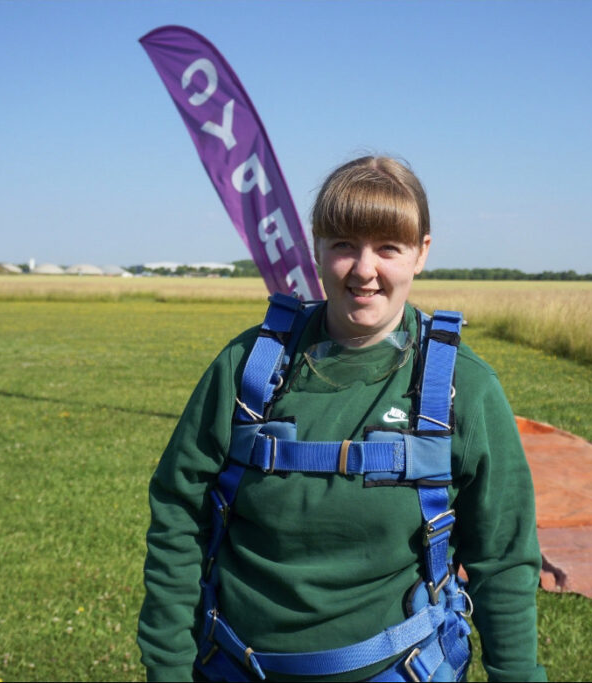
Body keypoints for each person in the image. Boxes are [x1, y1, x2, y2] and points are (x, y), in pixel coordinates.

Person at [137, 156, 546, 682]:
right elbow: (178, 515)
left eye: (388, 248)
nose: (364, 270)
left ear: (421, 253)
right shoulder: (247, 370)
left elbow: (505, 559)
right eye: (344, 245)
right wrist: (168, 667)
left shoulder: (464, 389)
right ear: (317, 248)